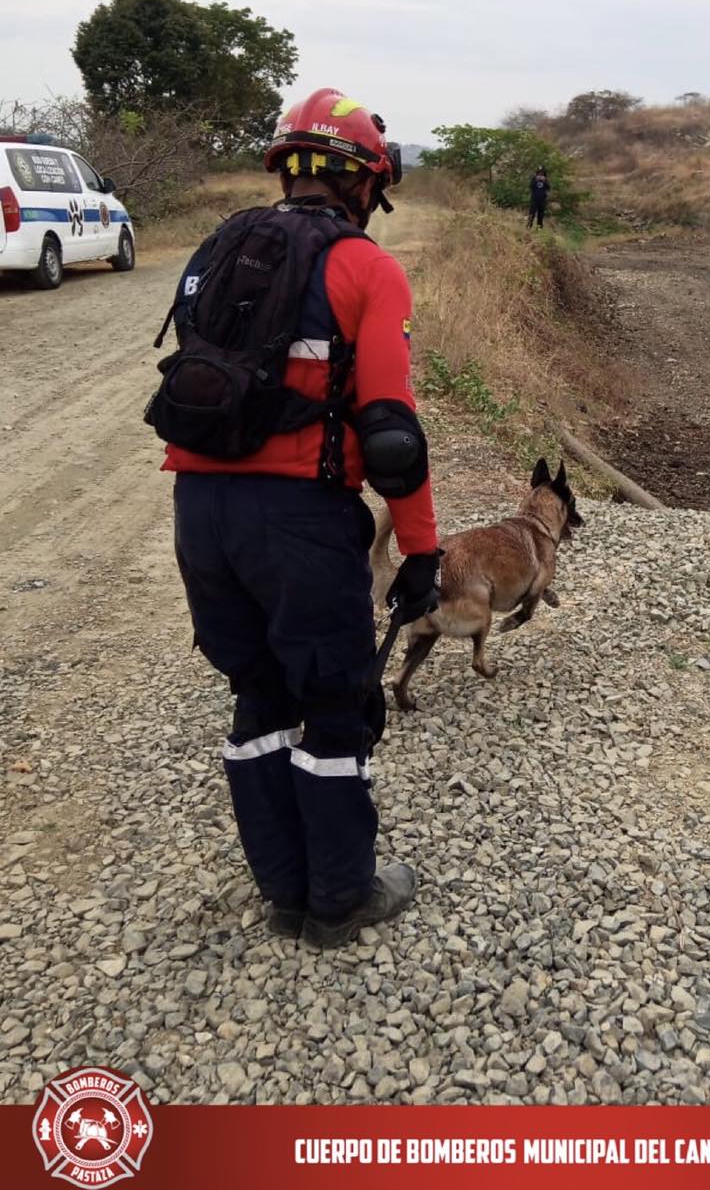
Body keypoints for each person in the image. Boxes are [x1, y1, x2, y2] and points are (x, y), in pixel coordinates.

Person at [152, 88, 441, 949]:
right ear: (366, 182)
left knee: (259, 694)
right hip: (299, 523)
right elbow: (391, 436)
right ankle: (339, 899)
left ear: (287, 171)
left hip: (200, 513)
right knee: (336, 705)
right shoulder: (365, 267)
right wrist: (421, 548)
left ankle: (284, 891)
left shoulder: (216, 249)